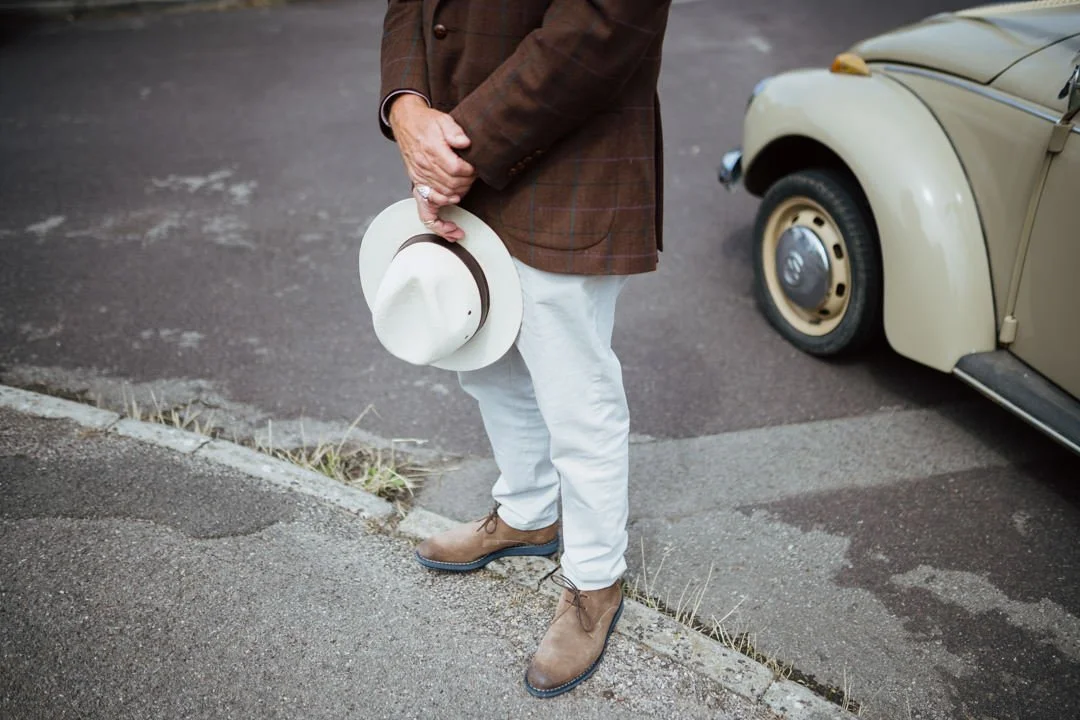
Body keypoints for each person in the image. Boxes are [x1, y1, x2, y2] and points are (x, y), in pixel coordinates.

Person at [378, 0, 673, 699]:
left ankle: (595, 582)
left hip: (569, 159)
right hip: (452, 155)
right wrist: (406, 108)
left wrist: (459, 146)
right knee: (484, 360)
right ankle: (527, 512)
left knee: (576, 393)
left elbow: (608, 20)